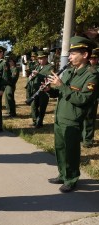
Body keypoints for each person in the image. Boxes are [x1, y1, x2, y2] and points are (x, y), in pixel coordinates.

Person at [45, 36, 98, 193]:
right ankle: (63, 174)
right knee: (60, 148)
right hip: (60, 116)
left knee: (71, 151)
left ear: (85, 55)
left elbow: (83, 99)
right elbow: (61, 93)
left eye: (73, 54)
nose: (69, 57)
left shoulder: (92, 75)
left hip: (73, 118)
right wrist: (50, 90)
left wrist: (61, 86)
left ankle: (72, 178)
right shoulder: (69, 71)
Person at [26, 51, 53, 128]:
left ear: (46, 58)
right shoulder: (38, 66)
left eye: (41, 59)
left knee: (42, 107)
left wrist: (38, 74)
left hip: (44, 90)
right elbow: (34, 74)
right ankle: (35, 121)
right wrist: (31, 76)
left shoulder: (50, 67)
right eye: (39, 59)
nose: (40, 60)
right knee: (33, 106)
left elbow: (48, 77)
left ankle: (39, 122)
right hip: (35, 89)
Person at [81, 48, 99, 148]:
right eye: (90, 58)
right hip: (83, 96)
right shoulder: (85, 69)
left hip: (93, 97)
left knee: (89, 119)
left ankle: (88, 140)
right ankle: (81, 137)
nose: (92, 60)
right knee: (81, 117)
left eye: (94, 58)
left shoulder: (96, 70)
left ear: (97, 59)